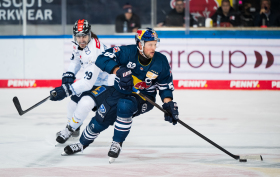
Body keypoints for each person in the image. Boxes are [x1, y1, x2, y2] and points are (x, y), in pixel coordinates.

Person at [62, 28, 179, 164]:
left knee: (125, 105)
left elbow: (165, 86)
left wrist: (168, 104)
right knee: (101, 117)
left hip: (143, 97)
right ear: (140, 45)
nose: (153, 48)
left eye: (155, 44)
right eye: (150, 44)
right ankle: (82, 144)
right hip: (120, 91)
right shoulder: (127, 52)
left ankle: (117, 143)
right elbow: (102, 58)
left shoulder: (161, 61)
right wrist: (119, 70)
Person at [50, 19, 115, 144]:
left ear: (89, 34)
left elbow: (87, 83)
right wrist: (69, 74)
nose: (81, 40)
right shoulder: (78, 43)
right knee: (72, 104)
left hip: (108, 84)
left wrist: (66, 90)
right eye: (78, 37)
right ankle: (73, 128)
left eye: (84, 36)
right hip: (95, 80)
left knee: (85, 103)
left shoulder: (94, 52)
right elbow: (75, 60)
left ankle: (69, 129)